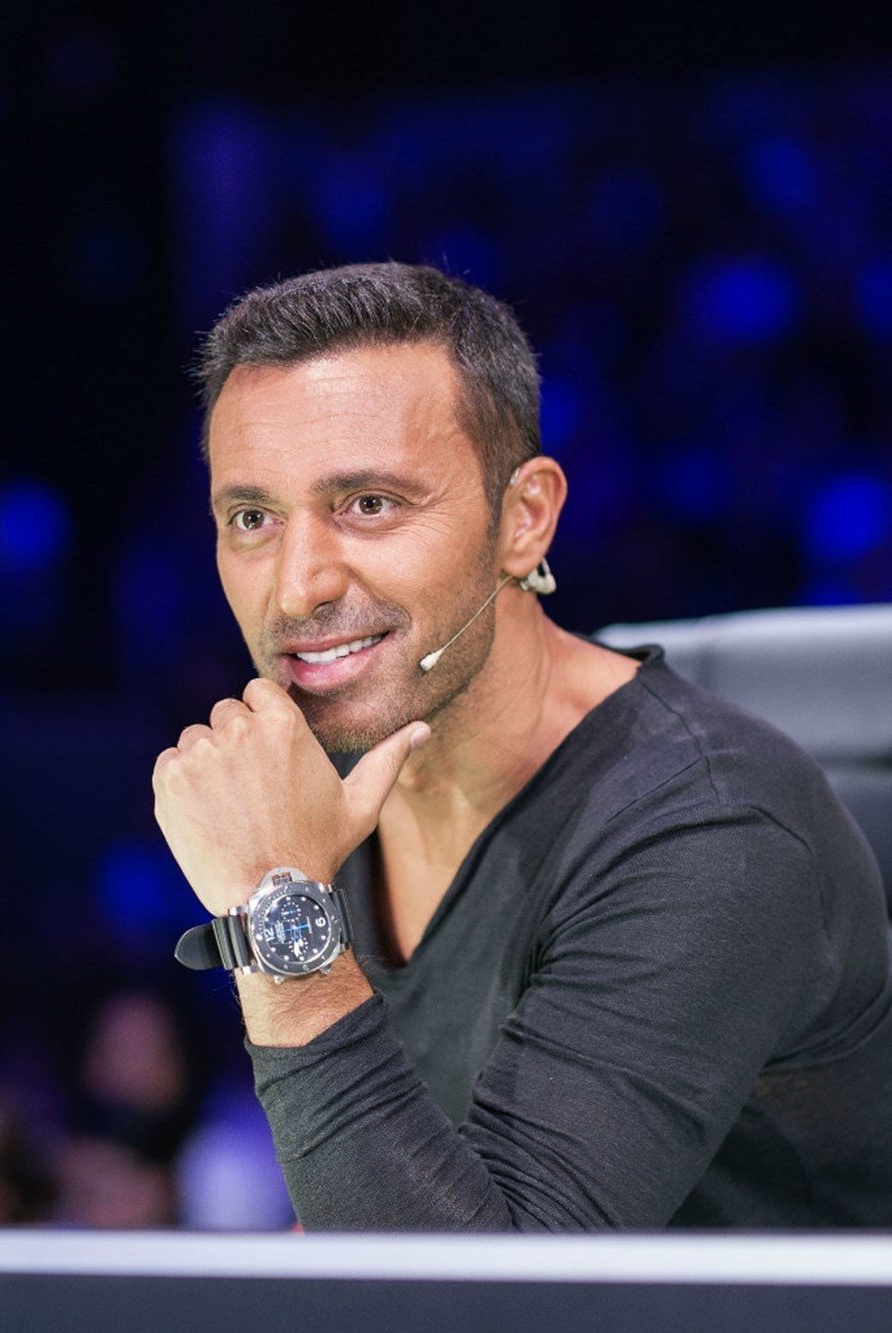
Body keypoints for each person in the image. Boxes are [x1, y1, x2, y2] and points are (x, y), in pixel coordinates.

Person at [153, 262, 892, 1229]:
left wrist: (279, 919)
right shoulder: (318, 779)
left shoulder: (715, 830)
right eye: (252, 518)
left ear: (523, 520)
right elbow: (363, 1198)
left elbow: (493, 1296)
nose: (296, 586)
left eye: (369, 504)